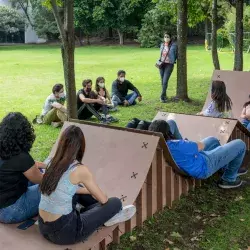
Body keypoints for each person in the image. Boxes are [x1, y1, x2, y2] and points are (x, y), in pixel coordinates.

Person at [38, 125, 136, 245]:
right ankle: (108, 216)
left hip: (44, 228)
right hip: (65, 233)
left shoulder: (50, 162)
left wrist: (88, 191)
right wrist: (101, 196)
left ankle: (91, 212)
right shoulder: (80, 170)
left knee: (82, 192)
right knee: (114, 202)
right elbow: (104, 200)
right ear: (80, 147)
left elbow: (63, 189)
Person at [148, 120, 247, 189]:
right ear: (168, 133)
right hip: (204, 165)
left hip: (190, 158)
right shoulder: (178, 145)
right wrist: (186, 143)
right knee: (240, 144)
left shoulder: (157, 144)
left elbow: (171, 124)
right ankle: (229, 179)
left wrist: (184, 144)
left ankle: (223, 167)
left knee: (212, 140)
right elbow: (201, 145)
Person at [0, 112, 44, 223]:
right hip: (11, 211)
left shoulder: (6, 150)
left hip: (3, 202)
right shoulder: (22, 158)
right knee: (55, 187)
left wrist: (46, 165)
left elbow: (29, 165)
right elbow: (43, 181)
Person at [156, 32, 177, 103]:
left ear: (170, 38)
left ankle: (162, 97)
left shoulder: (174, 45)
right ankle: (164, 96)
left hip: (169, 65)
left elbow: (176, 54)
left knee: (165, 81)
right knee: (162, 81)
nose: (166, 38)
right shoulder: (162, 45)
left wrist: (173, 60)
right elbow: (161, 54)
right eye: (165, 37)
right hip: (162, 64)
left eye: (167, 37)